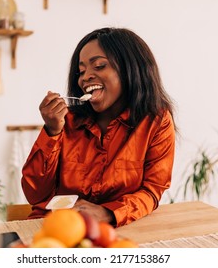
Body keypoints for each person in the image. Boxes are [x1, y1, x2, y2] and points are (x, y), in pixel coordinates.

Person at [21, 27, 176, 227]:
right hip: (56, 227)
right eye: (81, 71)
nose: (85, 77)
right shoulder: (64, 122)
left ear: (131, 69)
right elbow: (35, 194)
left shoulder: (156, 122)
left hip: (118, 229)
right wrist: (52, 132)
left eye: (100, 66)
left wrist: (108, 213)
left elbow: (151, 191)